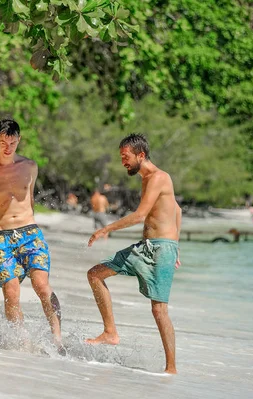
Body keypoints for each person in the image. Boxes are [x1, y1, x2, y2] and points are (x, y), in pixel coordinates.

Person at [86, 133, 182, 374]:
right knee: (95, 274)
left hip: (160, 250)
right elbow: (177, 210)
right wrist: (176, 244)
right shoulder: (146, 178)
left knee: (159, 310)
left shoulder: (159, 177)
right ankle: (110, 332)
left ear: (140, 155)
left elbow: (140, 215)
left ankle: (171, 369)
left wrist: (105, 229)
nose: (123, 162)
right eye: (121, 157)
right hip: (146, 247)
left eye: (126, 157)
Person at [0, 119, 63, 353]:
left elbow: (29, 201)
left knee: (42, 285)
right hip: (2, 238)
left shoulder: (30, 167)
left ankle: (58, 337)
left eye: (12, 142)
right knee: (11, 292)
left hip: (30, 234)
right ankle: (20, 342)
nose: (7, 147)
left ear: (19, 140)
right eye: (2, 142)